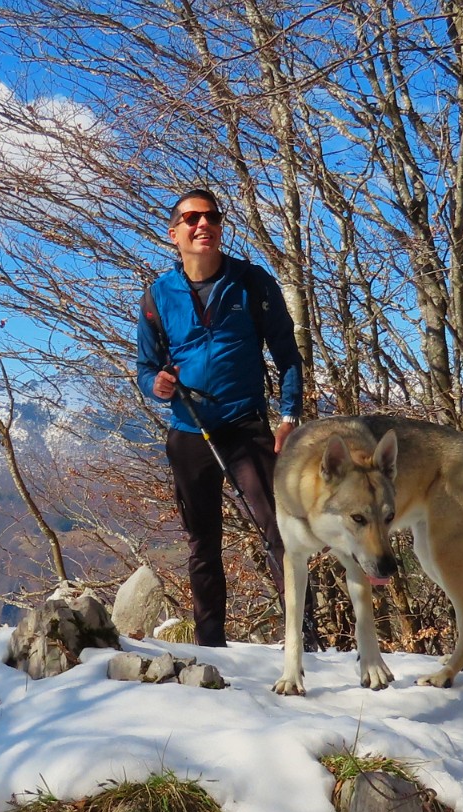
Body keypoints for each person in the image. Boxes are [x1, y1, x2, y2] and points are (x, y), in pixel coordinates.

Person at [137, 187, 305, 648]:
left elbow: (288, 355)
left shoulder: (252, 283)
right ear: (174, 234)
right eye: (191, 219)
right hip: (189, 429)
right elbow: (145, 367)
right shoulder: (157, 295)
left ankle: (301, 642)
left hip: (247, 426)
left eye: (211, 216)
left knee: (280, 533)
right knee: (201, 543)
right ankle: (211, 645)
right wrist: (156, 385)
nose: (202, 225)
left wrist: (288, 417)